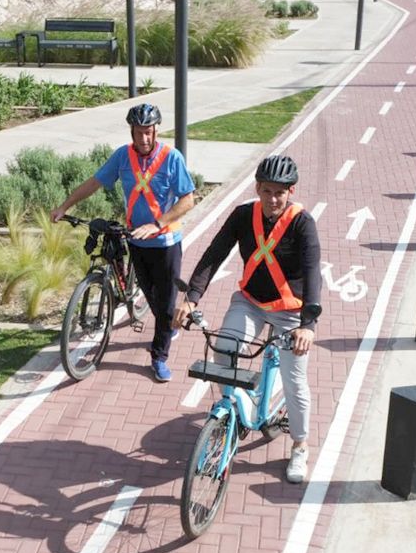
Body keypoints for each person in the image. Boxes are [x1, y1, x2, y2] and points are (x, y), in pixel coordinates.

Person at [172, 155, 322, 484]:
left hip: (290, 311)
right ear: (257, 188)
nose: (272, 199)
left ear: (291, 191)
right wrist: (191, 297)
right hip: (251, 302)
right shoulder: (243, 215)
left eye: (280, 193)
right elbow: (214, 254)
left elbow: (312, 273)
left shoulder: (302, 223)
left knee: (295, 380)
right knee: (224, 347)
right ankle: (232, 414)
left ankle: (299, 445)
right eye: (267, 191)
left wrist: (307, 327)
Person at [51, 103, 195, 383]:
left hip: (165, 242)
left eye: (149, 132)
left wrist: (156, 224)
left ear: (156, 130)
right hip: (136, 240)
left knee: (165, 304)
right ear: (132, 131)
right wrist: (64, 206)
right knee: (151, 296)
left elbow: (188, 199)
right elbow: (94, 183)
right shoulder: (122, 156)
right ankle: (165, 325)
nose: (144, 139)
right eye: (139, 133)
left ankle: (159, 355)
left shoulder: (171, 158)